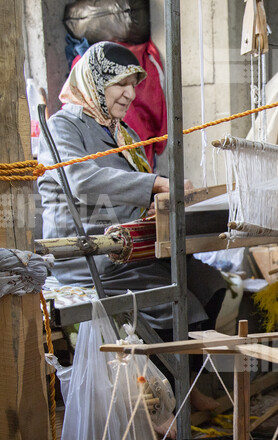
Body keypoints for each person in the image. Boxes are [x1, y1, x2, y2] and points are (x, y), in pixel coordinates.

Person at [37, 42, 226, 409]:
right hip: (86, 253)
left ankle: (183, 388)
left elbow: (137, 190)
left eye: (134, 83)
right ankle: (166, 402)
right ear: (93, 82)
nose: (131, 93)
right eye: (119, 83)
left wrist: (157, 207)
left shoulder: (124, 134)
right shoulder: (63, 126)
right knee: (180, 302)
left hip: (128, 244)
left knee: (211, 284)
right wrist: (154, 185)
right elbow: (82, 180)